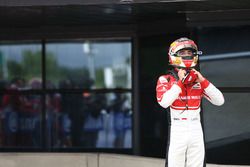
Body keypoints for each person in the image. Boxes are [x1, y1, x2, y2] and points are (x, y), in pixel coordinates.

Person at [156, 37, 224, 167]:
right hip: (178, 128)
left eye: (190, 53)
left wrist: (203, 81)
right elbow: (164, 102)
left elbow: (219, 100)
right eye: (183, 53)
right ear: (173, 55)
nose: (187, 56)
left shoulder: (198, 79)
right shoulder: (166, 79)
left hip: (196, 127)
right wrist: (181, 82)